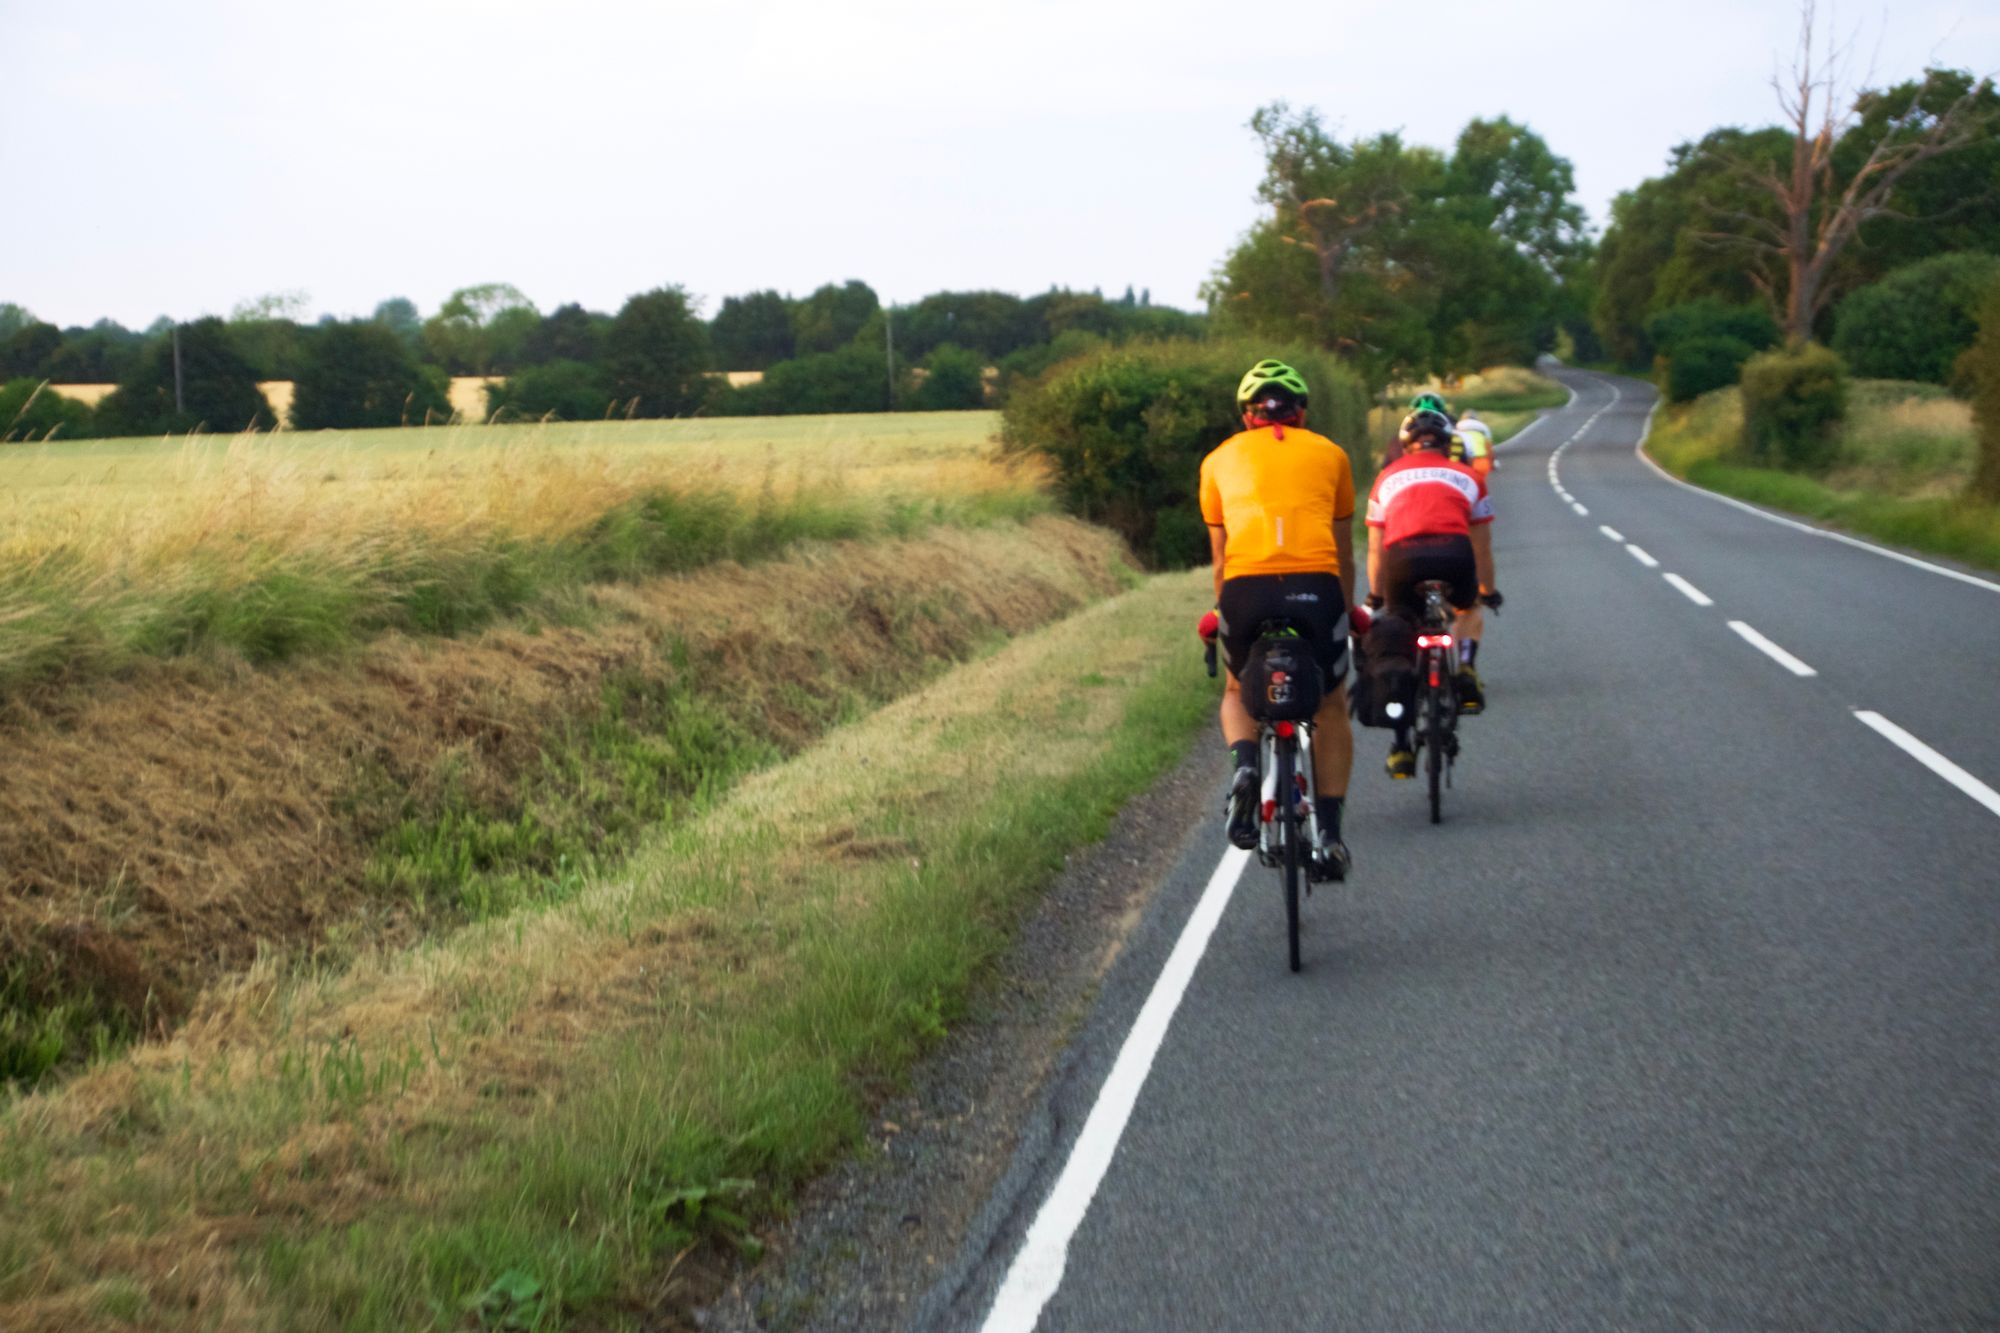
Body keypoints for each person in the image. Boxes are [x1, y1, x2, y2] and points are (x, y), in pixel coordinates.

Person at [1199, 359, 1358, 879]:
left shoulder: (1217, 460)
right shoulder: (1332, 454)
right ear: (1302, 413)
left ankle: (1246, 765)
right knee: (1332, 703)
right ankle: (1330, 834)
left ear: (1247, 417)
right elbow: (1342, 550)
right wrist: (1348, 609)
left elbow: (1221, 560)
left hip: (1246, 590)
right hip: (1317, 587)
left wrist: (1221, 611)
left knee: (1234, 690)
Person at [1364, 407, 1502, 779]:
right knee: (1468, 607)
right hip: (1453, 556)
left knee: (1401, 640)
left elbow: (1375, 548)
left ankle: (1401, 746)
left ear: (1406, 444)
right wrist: (1487, 591)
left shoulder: (1385, 479)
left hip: (1402, 562)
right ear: (1447, 443)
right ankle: (1468, 665)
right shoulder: (1469, 476)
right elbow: (1482, 545)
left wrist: (1377, 596)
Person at [1454, 406, 1495, 478]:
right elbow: (1489, 448)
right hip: (1480, 461)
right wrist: (1492, 463)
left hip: (1463, 462)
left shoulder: (1458, 425)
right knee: (1480, 483)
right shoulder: (1483, 427)